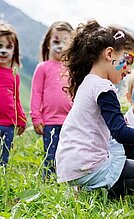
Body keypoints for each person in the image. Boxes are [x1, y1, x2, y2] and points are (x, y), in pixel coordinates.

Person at [55, 20, 134, 198]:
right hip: (88, 165)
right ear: (109, 54)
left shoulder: (87, 82)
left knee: (130, 152)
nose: (130, 70)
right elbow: (121, 132)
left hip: (72, 164)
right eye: (128, 60)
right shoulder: (103, 88)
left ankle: (88, 188)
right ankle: (95, 192)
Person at [30, 21, 74, 179]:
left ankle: (66, 183)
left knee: (68, 156)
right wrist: (36, 117)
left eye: (65, 42)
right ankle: (47, 183)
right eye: (56, 42)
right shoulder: (43, 67)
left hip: (70, 122)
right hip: (49, 121)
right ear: (48, 44)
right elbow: (36, 93)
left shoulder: (73, 69)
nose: (60, 46)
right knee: (50, 154)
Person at [0, 22, 26, 167]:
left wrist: (21, 119)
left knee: (4, 156)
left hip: (8, 124)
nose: (3, 51)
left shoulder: (14, 75)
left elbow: (16, 99)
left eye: (8, 47)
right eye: (0, 46)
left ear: (14, 51)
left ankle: (2, 180)